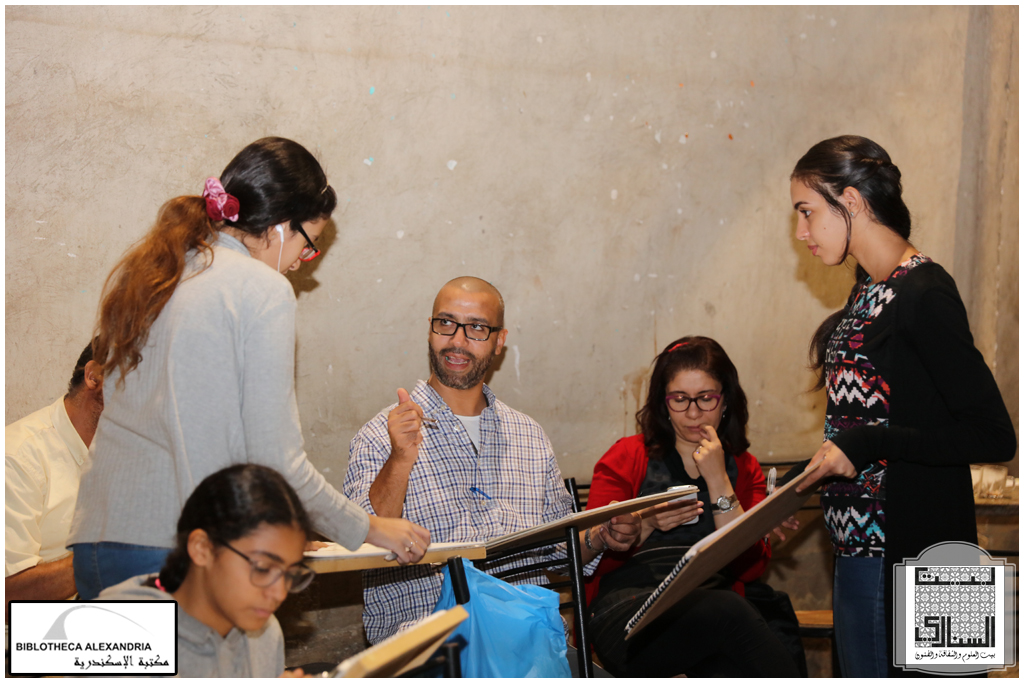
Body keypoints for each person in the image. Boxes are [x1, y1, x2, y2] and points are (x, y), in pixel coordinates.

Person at [69, 137, 429, 600]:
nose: (300, 263)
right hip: (174, 549)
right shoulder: (260, 288)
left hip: (97, 543)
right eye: (308, 244)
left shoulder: (157, 273)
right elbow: (276, 459)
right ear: (280, 226)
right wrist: (370, 528)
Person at [786, 135, 1016, 677]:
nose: (801, 232)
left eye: (807, 211)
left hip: (918, 549)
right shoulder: (867, 289)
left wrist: (868, 443)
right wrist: (799, 486)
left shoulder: (925, 291)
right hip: (862, 546)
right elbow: (859, 425)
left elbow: (994, 435)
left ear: (851, 201)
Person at [343, 276, 641, 643]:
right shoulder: (379, 435)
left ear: (499, 341)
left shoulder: (528, 436)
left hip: (524, 640)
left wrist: (601, 536)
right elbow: (364, 545)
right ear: (430, 330)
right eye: (446, 323)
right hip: (429, 645)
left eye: (477, 328)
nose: (457, 340)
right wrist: (400, 460)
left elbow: (558, 552)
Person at [584, 336, 799, 677]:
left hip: (711, 611)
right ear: (663, 402)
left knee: (734, 631)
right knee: (730, 612)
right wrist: (643, 524)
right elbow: (584, 554)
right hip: (631, 609)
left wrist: (718, 479)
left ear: (725, 400)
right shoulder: (628, 455)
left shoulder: (743, 467)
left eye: (706, 398)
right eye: (680, 399)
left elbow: (749, 569)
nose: (693, 413)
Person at [99, 464, 316, 677]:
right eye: (262, 568)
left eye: (290, 574)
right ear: (202, 548)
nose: (280, 593)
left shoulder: (265, 633)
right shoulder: (119, 626)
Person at [6, 342, 104, 612]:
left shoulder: (133, 451)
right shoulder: (16, 457)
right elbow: (7, 595)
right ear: (94, 376)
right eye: (138, 378)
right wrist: (103, 558)